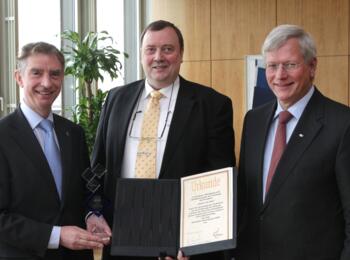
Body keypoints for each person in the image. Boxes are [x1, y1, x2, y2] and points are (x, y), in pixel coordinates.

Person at [87, 20, 235, 260]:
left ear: (181, 54)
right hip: (120, 238)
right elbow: (97, 166)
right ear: (142, 55)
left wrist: (195, 243)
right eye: (151, 49)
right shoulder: (116, 99)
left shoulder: (212, 105)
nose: (159, 57)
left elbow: (217, 180)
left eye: (168, 49)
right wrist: (93, 211)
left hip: (179, 246)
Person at [236, 24, 350, 260]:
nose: (279, 75)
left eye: (290, 65)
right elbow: (244, 202)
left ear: (312, 66)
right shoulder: (254, 121)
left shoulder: (342, 124)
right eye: (272, 66)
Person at [0, 42, 106, 259]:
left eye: (55, 74)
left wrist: (91, 214)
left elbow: (86, 189)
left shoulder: (73, 133)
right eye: (36, 73)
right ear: (19, 77)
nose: (46, 83)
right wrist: (56, 235)